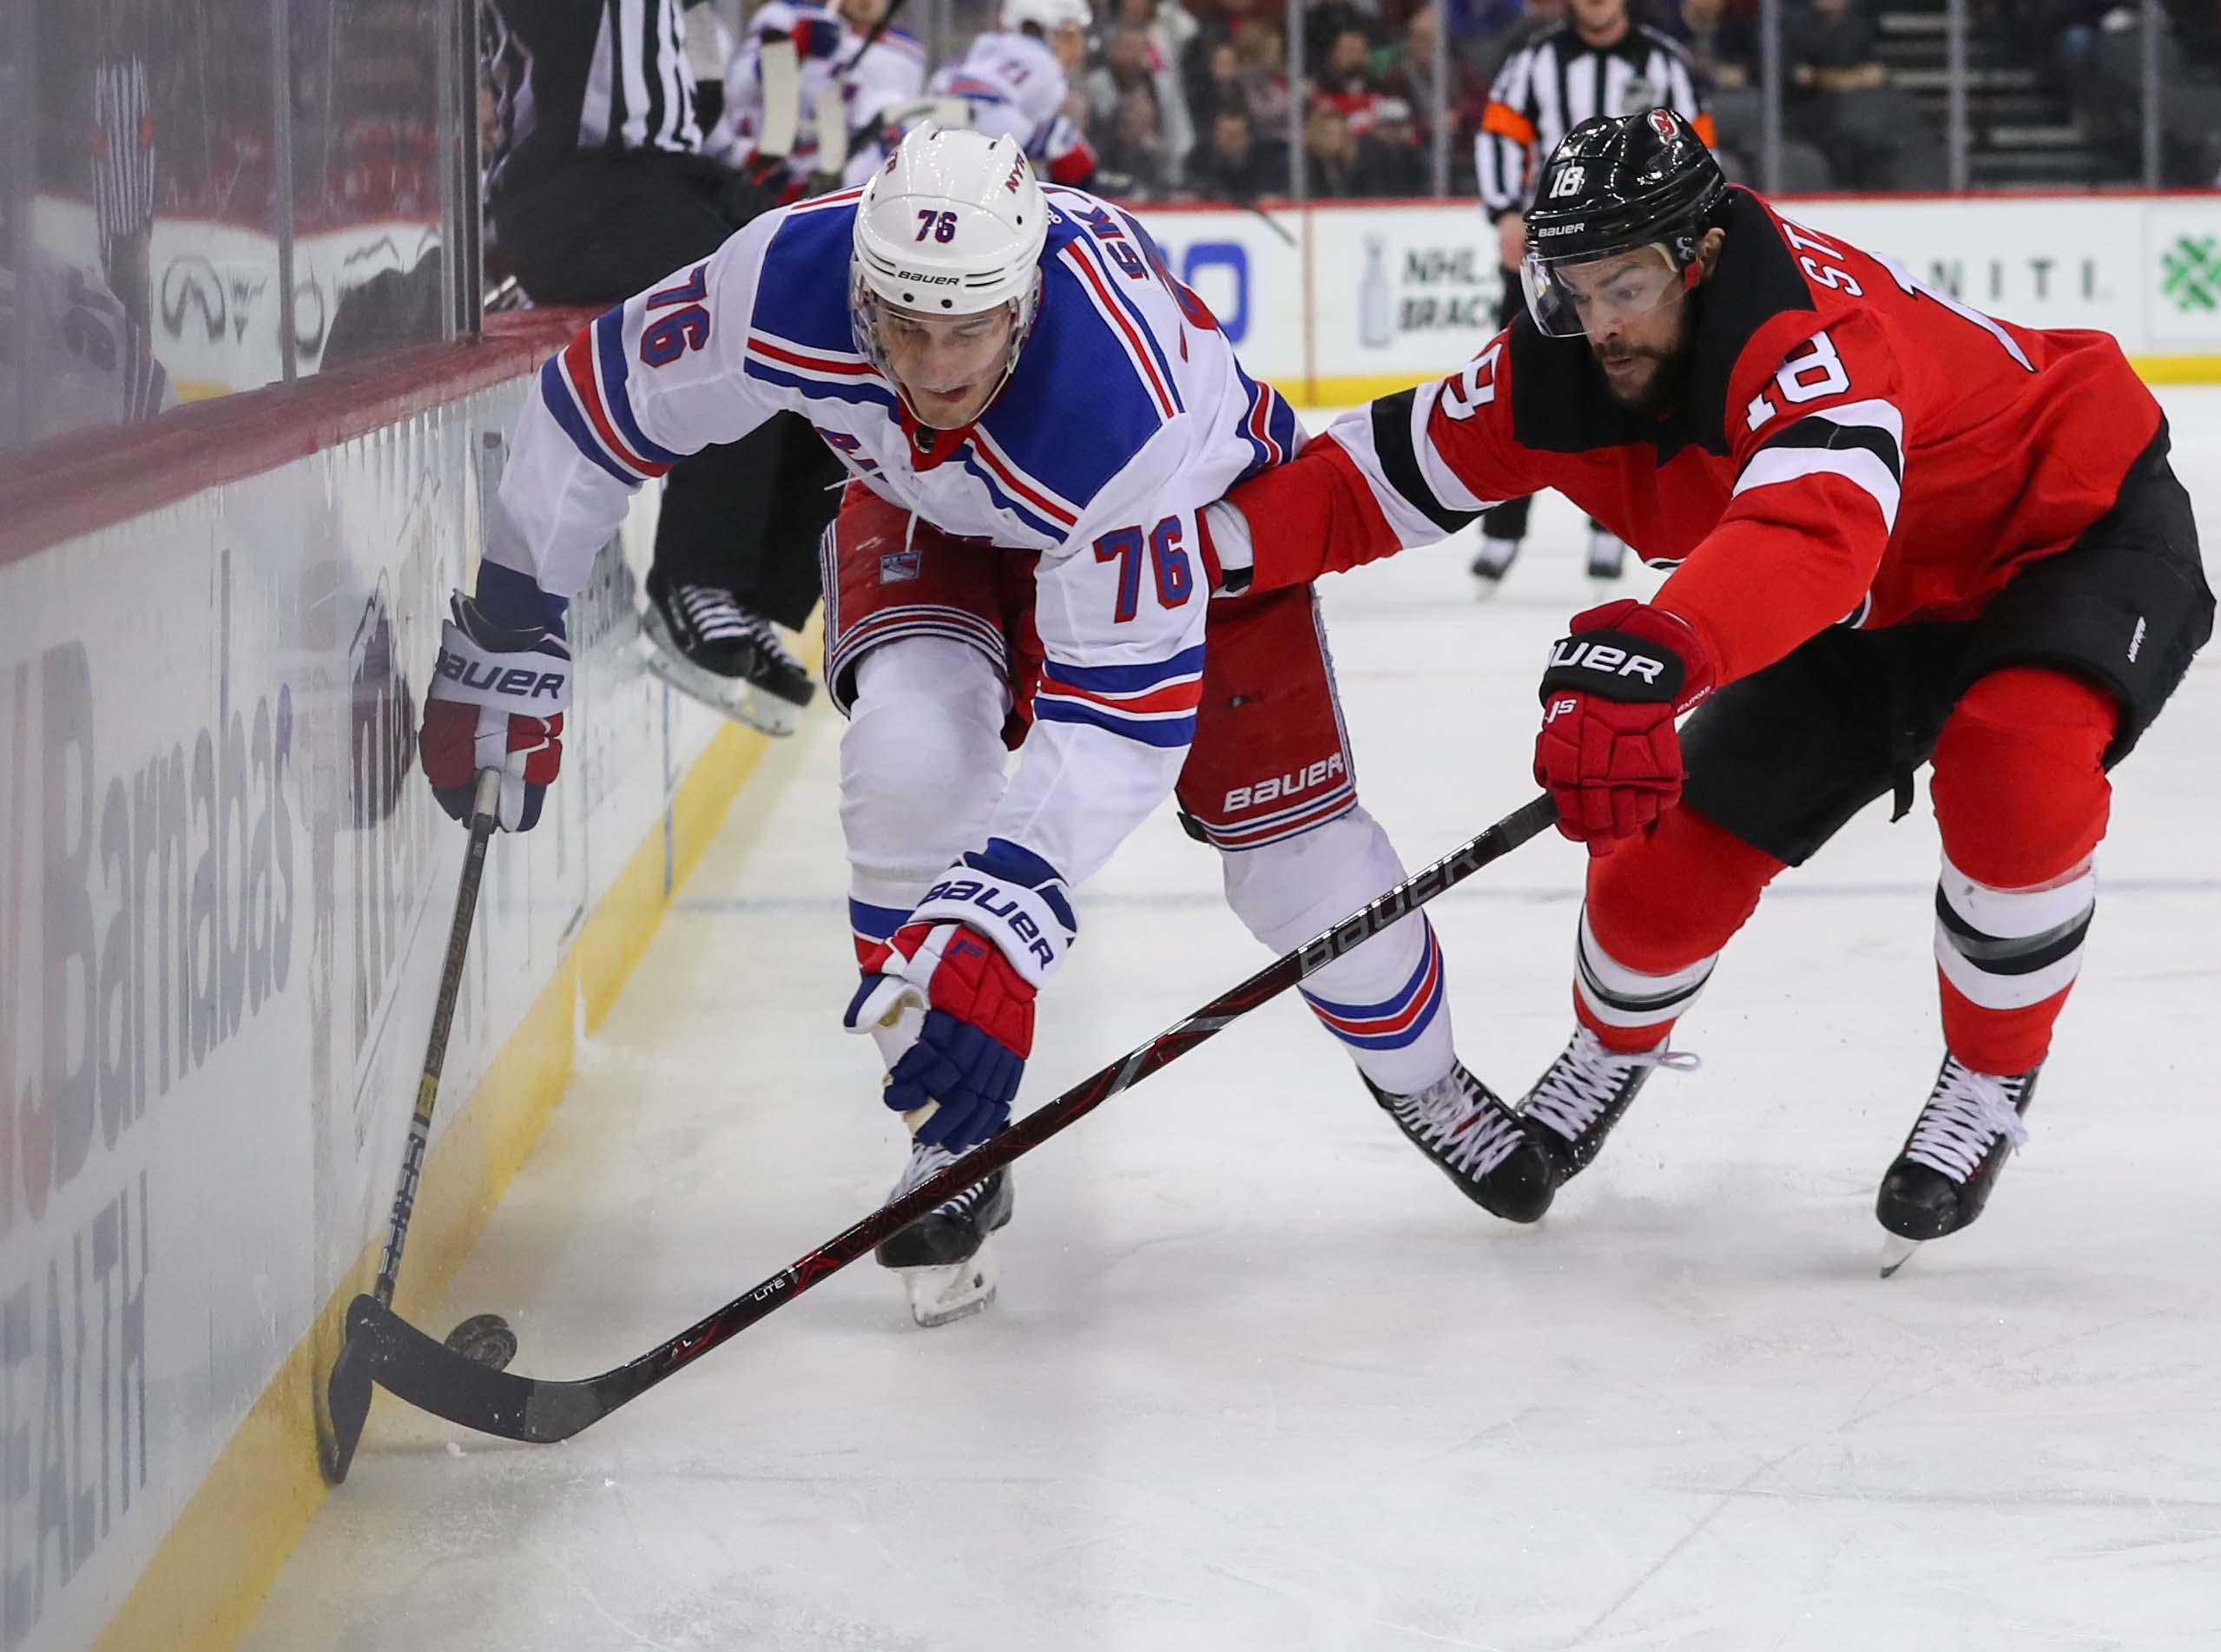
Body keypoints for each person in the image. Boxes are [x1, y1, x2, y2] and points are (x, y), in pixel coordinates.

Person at [418, 127, 1557, 1329]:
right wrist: (512, 614)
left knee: (1302, 878)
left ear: (1026, 298)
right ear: (862, 283)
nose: (931, 362)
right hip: (934, 509)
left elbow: (1120, 711)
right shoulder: (783, 277)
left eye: (967, 328)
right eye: (901, 323)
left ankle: (1426, 1081)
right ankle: (948, 1132)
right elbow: (597, 401)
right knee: (910, 756)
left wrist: (1009, 915)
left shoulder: (1120, 411)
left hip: (1194, 523)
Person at [1203, 110, 2216, 1271]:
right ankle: (1607, 1046)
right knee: (1656, 876)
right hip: (1861, 603)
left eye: (1625, 284)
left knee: (2015, 766)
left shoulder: (1806, 334)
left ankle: (1989, 1072)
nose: (1599, 324)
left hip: (2064, 532)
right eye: (1571, 286)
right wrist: (1192, 554)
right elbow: (1369, 481)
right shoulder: (1563, 357)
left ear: (1705, 254)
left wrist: (1664, 644)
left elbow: (1814, 528)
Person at [482, 0, 834, 735]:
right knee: (739, 305)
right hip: (569, 187)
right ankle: (695, 578)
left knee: (825, 290)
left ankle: (754, 594)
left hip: (674, 175)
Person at [1473, 0, 1700, 592]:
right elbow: (1499, 133)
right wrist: (1503, 212)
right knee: (1522, 381)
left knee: (1630, 383)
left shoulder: (1663, 62)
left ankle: (1614, 525)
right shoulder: (1534, 60)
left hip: (1633, 260)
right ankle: (1503, 527)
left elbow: (1696, 149)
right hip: (1550, 254)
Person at [707, 0, 930, 197]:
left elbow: (896, 122)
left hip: (850, 177)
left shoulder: (907, 50)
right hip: (771, 171)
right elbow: (738, 91)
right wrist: (792, 49)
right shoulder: (786, 15)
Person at [927, 0, 1101, 188]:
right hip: (991, 121)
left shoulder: (985, 43)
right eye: (1069, 36)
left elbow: (938, 85)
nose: (1076, 47)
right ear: (1049, 30)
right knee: (1075, 156)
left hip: (933, 120)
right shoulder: (1048, 66)